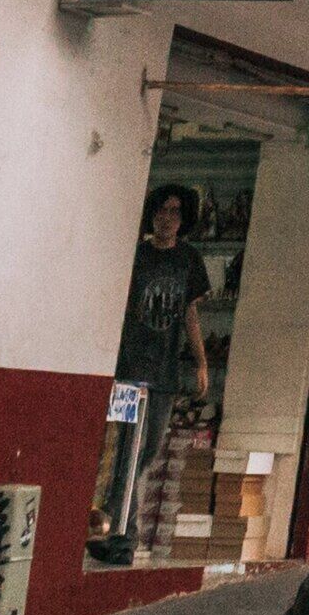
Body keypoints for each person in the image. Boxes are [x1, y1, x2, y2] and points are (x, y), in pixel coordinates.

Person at [96, 186, 211, 556]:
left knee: (149, 449)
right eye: (162, 211)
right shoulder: (136, 256)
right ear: (152, 215)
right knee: (127, 448)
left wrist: (201, 362)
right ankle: (124, 536)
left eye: (175, 212)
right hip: (128, 368)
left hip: (164, 372)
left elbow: (191, 315)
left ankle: (113, 518)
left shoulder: (189, 260)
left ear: (184, 220)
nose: (167, 218)